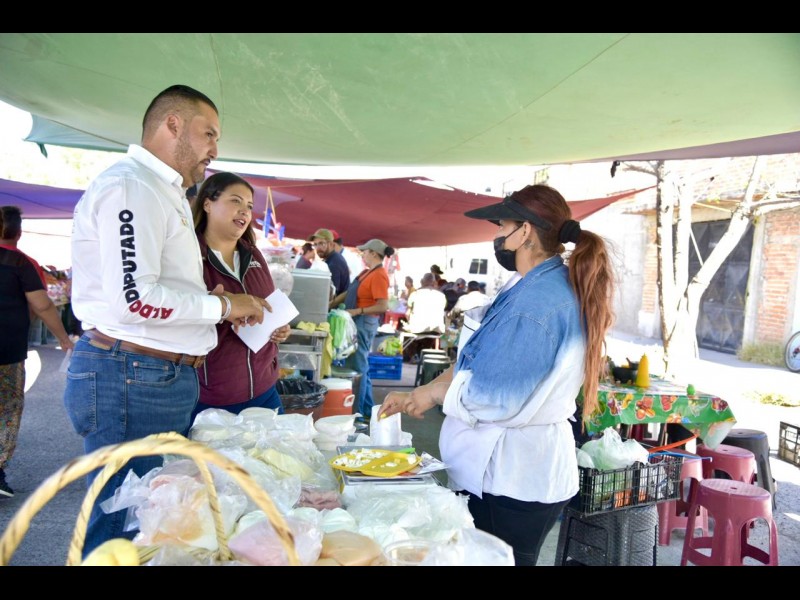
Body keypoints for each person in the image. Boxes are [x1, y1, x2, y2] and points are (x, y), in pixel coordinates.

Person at [65, 84, 269, 556]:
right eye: (208, 134)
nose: (214, 150)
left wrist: (205, 300)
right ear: (172, 124)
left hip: (150, 375)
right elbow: (133, 300)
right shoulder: (132, 187)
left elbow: (149, 287)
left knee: (149, 520)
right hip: (131, 375)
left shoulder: (162, 190)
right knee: (122, 524)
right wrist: (224, 307)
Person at [379, 184, 615, 566]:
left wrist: (435, 395)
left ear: (525, 231)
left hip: (513, 480)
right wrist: (424, 389)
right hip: (505, 474)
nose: (498, 236)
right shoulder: (528, 286)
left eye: (502, 226)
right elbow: (476, 360)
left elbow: (497, 396)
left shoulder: (537, 302)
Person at [190, 172, 292, 423]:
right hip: (211, 395)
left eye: (249, 205)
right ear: (207, 204)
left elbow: (268, 305)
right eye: (235, 201)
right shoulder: (190, 255)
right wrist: (221, 307)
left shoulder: (253, 254)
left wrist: (279, 328)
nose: (244, 211)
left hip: (264, 388)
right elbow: (175, 309)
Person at [0, 206, 74, 498]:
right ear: (18, 232)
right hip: (7, 349)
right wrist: (64, 339)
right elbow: (41, 305)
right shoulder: (21, 262)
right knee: (7, 407)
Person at [330, 238, 394, 420]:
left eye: (364, 252)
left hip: (364, 322)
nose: (362, 255)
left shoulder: (379, 274)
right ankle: (367, 410)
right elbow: (349, 292)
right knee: (360, 367)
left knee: (358, 367)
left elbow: (382, 305)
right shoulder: (367, 272)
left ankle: (356, 412)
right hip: (358, 321)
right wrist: (331, 303)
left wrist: (357, 311)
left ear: (373, 253)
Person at [402, 272, 447, 362]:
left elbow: (407, 313)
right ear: (434, 283)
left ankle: (412, 355)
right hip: (436, 329)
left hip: (417, 328)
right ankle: (424, 354)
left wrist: (409, 321)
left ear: (422, 282)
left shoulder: (415, 294)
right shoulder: (442, 296)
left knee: (407, 330)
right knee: (428, 335)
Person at [310, 228, 350, 297]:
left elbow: (331, 295)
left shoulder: (334, 263)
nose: (318, 248)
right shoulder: (332, 259)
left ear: (331, 244)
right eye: (315, 244)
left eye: (321, 243)